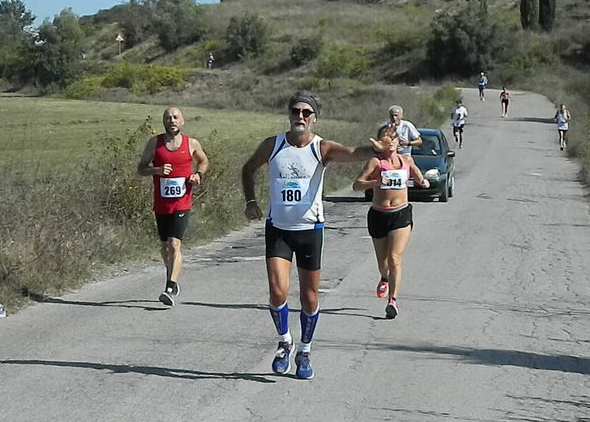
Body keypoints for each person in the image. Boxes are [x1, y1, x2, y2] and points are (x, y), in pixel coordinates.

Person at [241, 90, 384, 380]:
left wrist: (376, 151)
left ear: (315, 119)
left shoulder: (322, 148)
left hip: (310, 230)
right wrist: (251, 202)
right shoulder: (273, 145)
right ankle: (285, 343)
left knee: (309, 297)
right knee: (277, 291)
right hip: (278, 229)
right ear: (289, 114)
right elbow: (248, 168)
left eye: (307, 113)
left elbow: (354, 154)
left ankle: (305, 350)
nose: (301, 117)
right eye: (296, 111)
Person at [352, 127, 429, 319]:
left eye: (395, 139)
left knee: (395, 259)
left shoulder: (406, 161)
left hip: (401, 214)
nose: (393, 142)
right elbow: (356, 184)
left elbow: (420, 177)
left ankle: (392, 301)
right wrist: (374, 183)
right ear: (381, 144)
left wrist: (423, 182)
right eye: (388, 140)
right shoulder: (376, 162)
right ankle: (384, 277)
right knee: (383, 262)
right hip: (379, 214)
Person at [137, 107, 209, 306]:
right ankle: (171, 274)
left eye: (176, 117)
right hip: (161, 203)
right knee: (164, 247)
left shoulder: (191, 143)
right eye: (168, 118)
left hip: (182, 201)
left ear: (182, 121)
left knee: (175, 243)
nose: (172, 120)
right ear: (164, 122)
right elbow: (141, 169)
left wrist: (198, 175)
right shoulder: (155, 143)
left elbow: (203, 161)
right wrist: (157, 170)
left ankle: (171, 286)